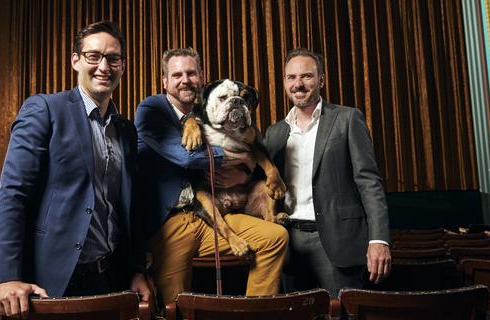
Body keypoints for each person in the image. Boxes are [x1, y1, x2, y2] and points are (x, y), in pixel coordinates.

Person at [0, 21, 150, 318]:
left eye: (113, 58)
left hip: (112, 277)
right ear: (75, 60)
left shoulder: (126, 130)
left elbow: (129, 210)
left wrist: (136, 269)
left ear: (123, 66)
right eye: (93, 56)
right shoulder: (45, 110)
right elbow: (13, 194)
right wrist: (6, 276)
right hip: (55, 278)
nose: (104, 66)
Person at [133, 48, 288, 305]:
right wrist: (244, 158)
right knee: (175, 304)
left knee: (275, 238)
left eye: (191, 73)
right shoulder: (154, 108)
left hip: (215, 215)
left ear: (201, 77)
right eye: (177, 75)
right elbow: (187, 157)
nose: (185, 80)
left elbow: (253, 143)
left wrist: (252, 160)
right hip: (174, 221)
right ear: (164, 81)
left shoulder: (210, 109)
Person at [263, 48, 391, 297]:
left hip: (337, 242)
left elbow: (369, 182)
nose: (298, 84)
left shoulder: (347, 118)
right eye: (291, 77)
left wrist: (379, 240)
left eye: (307, 77)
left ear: (321, 79)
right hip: (288, 243)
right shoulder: (275, 132)